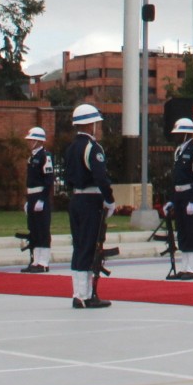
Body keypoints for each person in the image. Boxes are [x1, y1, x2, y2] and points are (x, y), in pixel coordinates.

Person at [65, 102, 114, 310]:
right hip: (91, 201)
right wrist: (109, 199)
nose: (98, 127)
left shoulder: (70, 148)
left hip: (75, 200)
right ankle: (85, 295)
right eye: (96, 124)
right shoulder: (92, 148)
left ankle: (78, 293)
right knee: (88, 246)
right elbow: (101, 177)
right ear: (90, 125)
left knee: (78, 247)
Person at [166, 116, 193, 279]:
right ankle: (184, 267)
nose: (176, 136)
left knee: (191, 231)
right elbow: (176, 179)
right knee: (182, 230)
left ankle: (192, 268)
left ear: (186, 134)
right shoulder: (179, 151)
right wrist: (171, 199)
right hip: (179, 194)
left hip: (191, 194)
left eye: (179, 133)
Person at [20, 125, 54, 272]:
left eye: (32, 140)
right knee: (33, 229)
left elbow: (48, 179)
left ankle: (44, 262)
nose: (29, 142)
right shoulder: (32, 157)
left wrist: (42, 199)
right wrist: (29, 200)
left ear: (39, 141)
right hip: (32, 196)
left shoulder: (45, 156)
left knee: (42, 229)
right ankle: (35, 261)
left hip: (41, 196)